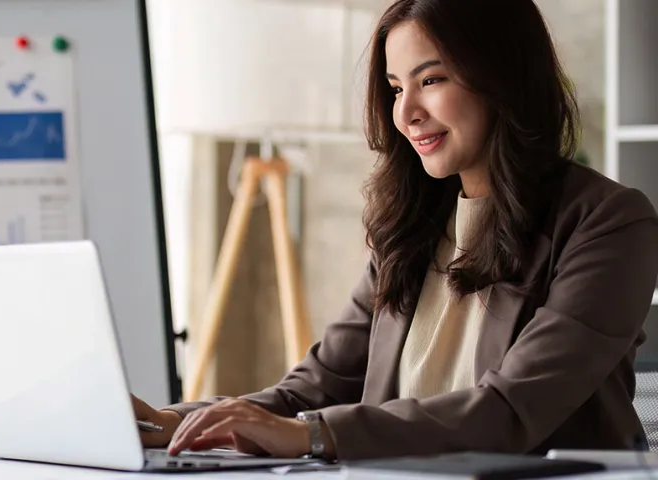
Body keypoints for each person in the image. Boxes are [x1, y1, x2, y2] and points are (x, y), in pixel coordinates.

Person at [133, 0, 658, 461]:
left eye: (431, 80)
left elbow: (511, 411)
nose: (406, 113)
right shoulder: (412, 228)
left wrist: (310, 435)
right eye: (394, 87)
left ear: (502, 77)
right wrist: (176, 423)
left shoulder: (610, 224)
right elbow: (310, 392)